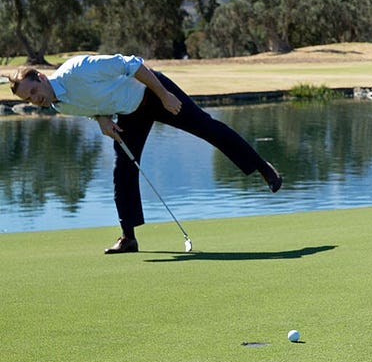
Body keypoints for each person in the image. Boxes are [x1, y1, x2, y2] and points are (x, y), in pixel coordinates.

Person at [7, 54, 282, 253]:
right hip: (129, 114)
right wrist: (101, 119)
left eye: (33, 91)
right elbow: (93, 103)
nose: (34, 99)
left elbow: (133, 64)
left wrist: (164, 95)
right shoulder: (59, 106)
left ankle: (261, 166)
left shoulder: (78, 69)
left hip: (153, 93)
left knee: (206, 127)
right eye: (28, 99)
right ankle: (129, 237)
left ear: (41, 77)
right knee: (123, 169)